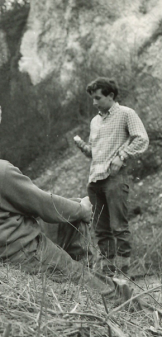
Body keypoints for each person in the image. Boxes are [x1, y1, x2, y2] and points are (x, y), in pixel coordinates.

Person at [0, 98, 130, 301]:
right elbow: (44, 206)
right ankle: (123, 301)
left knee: (71, 211)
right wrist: (82, 209)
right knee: (87, 279)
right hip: (21, 256)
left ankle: (86, 276)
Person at [74, 78, 149, 276]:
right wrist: (83, 147)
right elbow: (96, 152)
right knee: (101, 230)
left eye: (98, 98)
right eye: (92, 98)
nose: (94, 102)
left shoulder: (126, 113)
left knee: (119, 227)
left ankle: (124, 274)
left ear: (111, 96)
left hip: (115, 179)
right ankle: (107, 274)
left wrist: (122, 156)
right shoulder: (95, 121)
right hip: (94, 181)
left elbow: (142, 139)